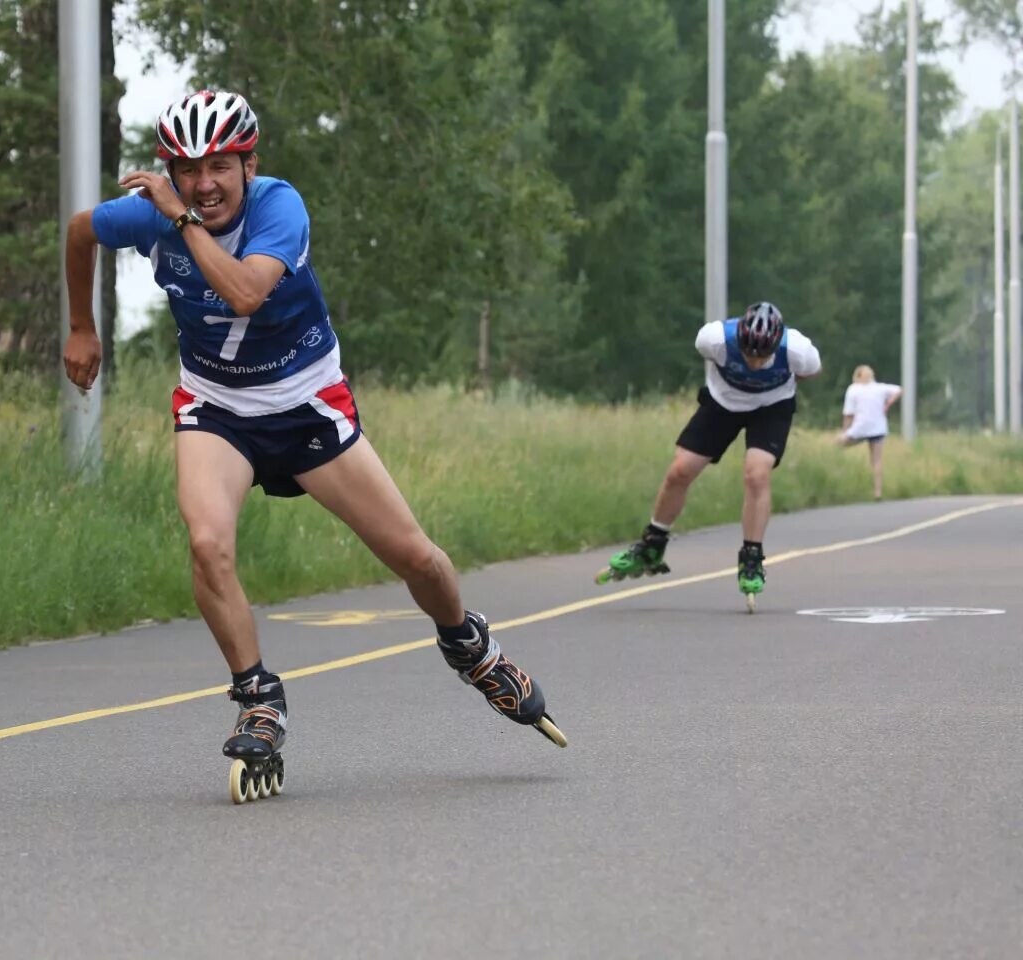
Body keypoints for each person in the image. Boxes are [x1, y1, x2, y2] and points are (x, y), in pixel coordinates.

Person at [62, 90, 566, 776]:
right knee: (208, 545)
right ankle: (258, 700)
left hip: (304, 404)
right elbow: (80, 230)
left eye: (219, 167)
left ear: (249, 164)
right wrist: (83, 327)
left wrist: (177, 217)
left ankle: (471, 648)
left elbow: (244, 292)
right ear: (169, 170)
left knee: (416, 558)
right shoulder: (150, 212)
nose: (204, 184)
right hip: (216, 406)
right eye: (186, 170)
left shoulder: (279, 208)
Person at [596, 302, 821, 602]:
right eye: (747, 354)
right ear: (738, 339)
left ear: (777, 345)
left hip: (772, 408)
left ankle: (752, 558)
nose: (754, 362)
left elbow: (809, 373)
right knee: (680, 470)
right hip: (722, 404)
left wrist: (769, 387)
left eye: (762, 356)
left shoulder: (798, 350)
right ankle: (652, 544)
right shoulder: (713, 339)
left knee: (757, 474)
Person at [836, 365, 902, 501]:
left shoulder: (853, 389)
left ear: (857, 376)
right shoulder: (880, 388)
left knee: (838, 446)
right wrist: (888, 404)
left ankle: (838, 477)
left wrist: (845, 431)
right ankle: (878, 493)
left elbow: (848, 414)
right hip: (878, 429)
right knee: (876, 461)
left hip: (859, 428)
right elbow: (899, 390)